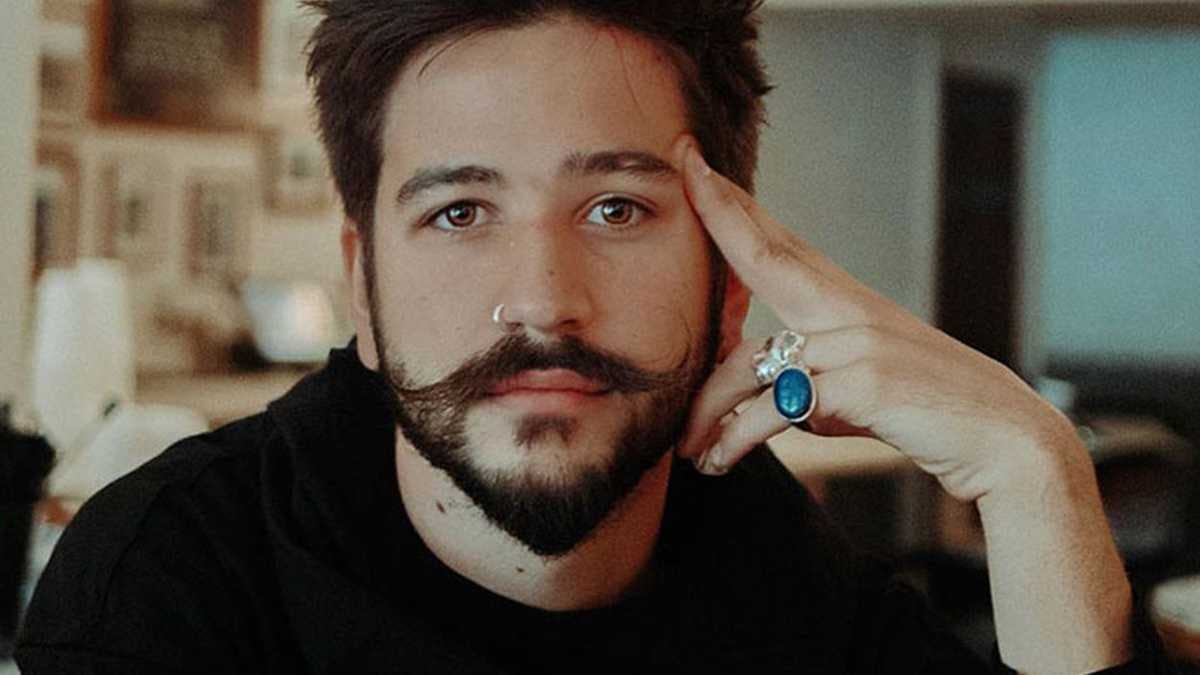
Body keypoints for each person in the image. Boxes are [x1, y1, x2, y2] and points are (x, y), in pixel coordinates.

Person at [15, 1, 1177, 673]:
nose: (542, 301)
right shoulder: (164, 587)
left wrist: (1037, 473)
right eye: (460, 213)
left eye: (616, 209)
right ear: (360, 286)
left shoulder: (775, 566)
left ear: (729, 285)